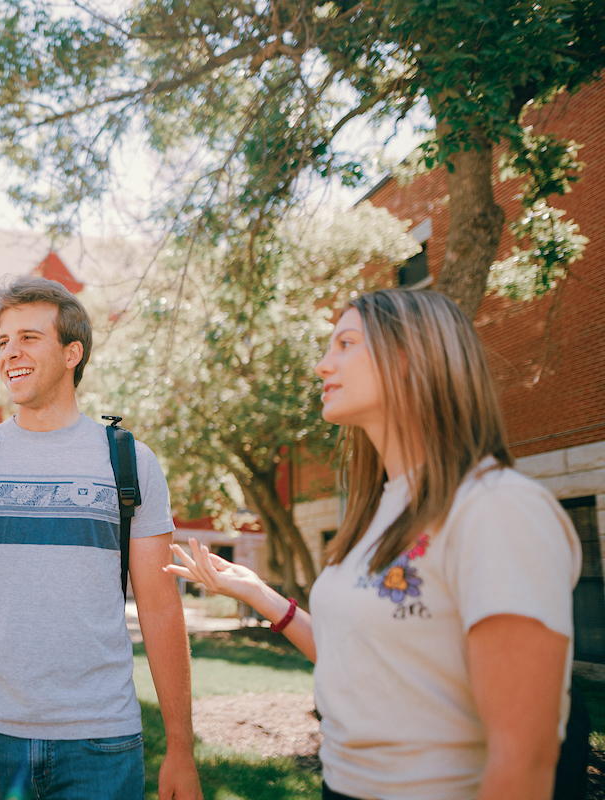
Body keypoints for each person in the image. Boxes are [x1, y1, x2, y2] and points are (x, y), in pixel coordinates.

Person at [167, 287, 580, 800]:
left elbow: (525, 758)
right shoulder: (383, 510)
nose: (322, 365)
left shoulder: (496, 508)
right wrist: (258, 594)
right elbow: (366, 659)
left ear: (408, 357)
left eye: (344, 344)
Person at [0, 276, 203, 800]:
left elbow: (161, 608)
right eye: (3, 341)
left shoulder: (129, 462)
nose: (11, 352)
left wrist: (181, 748)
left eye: (29, 338)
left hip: (101, 743)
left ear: (72, 352)